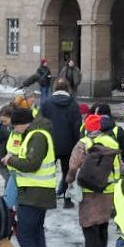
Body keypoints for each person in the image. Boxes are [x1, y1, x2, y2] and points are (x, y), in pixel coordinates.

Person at [2, 107, 56, 247]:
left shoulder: (37, 136)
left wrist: (11, 160)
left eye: (15, 126)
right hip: (35, 192)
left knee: (25, 233)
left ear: (21, 124)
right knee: (35, 232)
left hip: (34, 193)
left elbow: (32, 164)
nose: (14, 130)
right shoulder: (34, 134)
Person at [67, 115, 123, 247]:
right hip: (109, 189)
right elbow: (120, 166)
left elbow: (73, 165)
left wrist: (69, 179)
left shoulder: (83, 143)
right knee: (103, 222)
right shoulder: (112, 142)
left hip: (89, 189)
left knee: (89, 224)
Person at [41, 77, 83, 208]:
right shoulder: (73, 104)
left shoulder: (46, 103)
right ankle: (67, 199)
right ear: (67, 89)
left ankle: (47, 199)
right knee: (67, 173)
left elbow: (40, 124)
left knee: (47, 172)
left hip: (50, 144)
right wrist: (78, 142)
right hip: (68, 144)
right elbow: (77, 126)